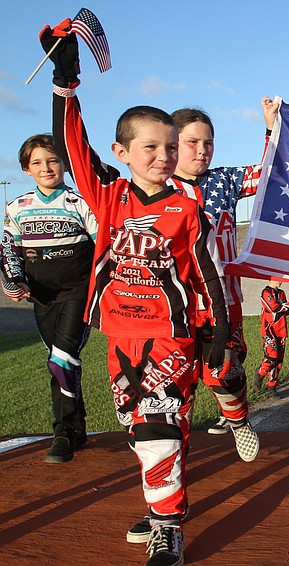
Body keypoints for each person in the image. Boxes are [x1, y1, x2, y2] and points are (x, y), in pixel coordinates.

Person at [43, 21, 230, 565]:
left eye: (171, 148)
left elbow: (204, 271)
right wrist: (65, 81)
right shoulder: (108, 195)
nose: (165, 157)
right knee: (149, 429)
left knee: (155, 426)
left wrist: (218, 331)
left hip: (171, 338)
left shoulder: (186, 206)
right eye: (151, 147)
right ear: (122, 151)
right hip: (120, 338)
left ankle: (167, 526)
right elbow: (69, 147)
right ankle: (166, 506)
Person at [167, 103, 275, 454]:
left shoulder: (225, 180)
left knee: (225, 374)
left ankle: (239, 421)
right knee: (173, 382)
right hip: (173, 306)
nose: (202, 151)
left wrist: (271, 130)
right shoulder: (157, 187)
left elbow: (270, 173)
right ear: (172, 143)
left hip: (222, 304)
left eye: (208, 143)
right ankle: (174, 449)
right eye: (192, 142)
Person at [2, 133, 97, 463]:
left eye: (53, 160)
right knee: (63, 362)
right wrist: (13, 279)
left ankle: (63, 432)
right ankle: (78, 427)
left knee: (60, 359)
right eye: (38, 162)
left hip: (79, 294)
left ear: (65, 165)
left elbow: (104, 247)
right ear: (26, 169)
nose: (46, 168)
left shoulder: (80, 203)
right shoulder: (16, 207)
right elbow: (9, 249)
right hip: (42, 298)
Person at [255, 279, 289, 396]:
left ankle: (272, 387)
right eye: (277, 278)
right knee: (272, 355)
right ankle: (260, 374)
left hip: (281, 329)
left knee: (279, 359)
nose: (280, 281)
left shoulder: (281, 293)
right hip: (268, 329)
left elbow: (283, 310)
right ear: (270, 278)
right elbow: (274, 308)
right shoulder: (266, 292)